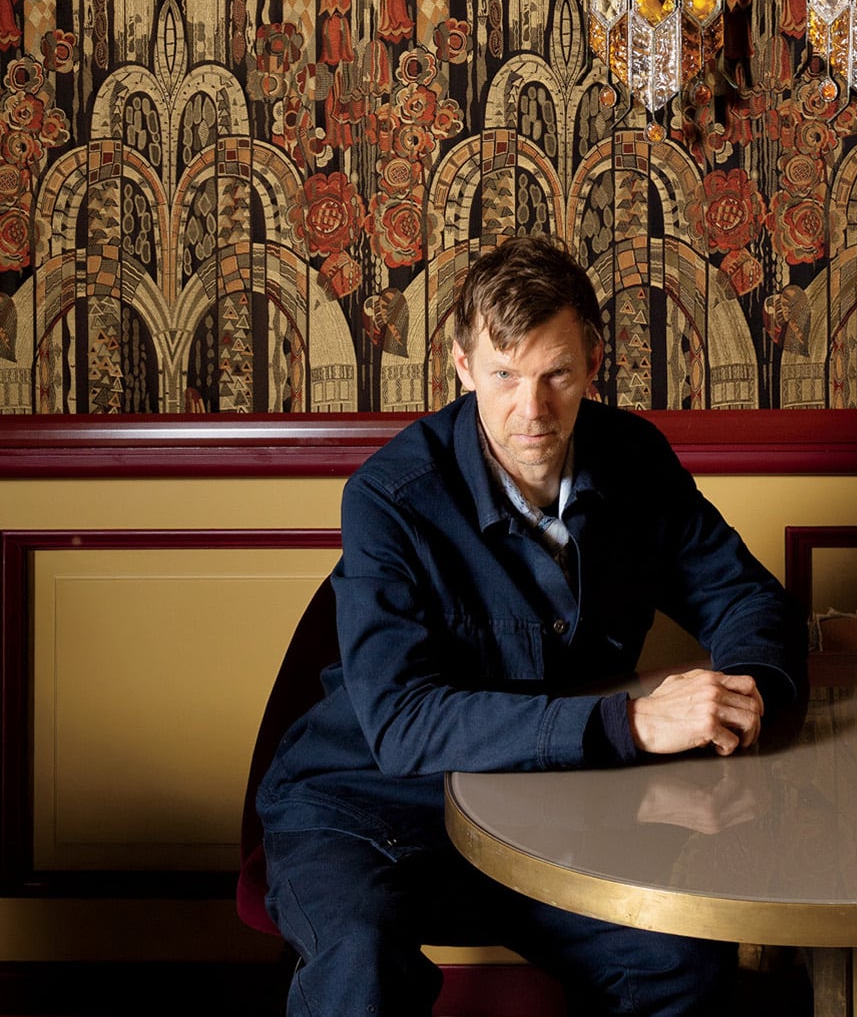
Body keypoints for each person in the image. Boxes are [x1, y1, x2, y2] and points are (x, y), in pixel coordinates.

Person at [258, 237, 806, 1017]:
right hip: (363, 810)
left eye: (556, 374)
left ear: (594, 361)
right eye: (504, 376)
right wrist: (630, 723)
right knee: (360, 959)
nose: (532, 410)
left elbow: (747, 599)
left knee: (680, 961)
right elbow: (403, 726)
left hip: (543, 818)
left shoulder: (636, 460)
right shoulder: (387, 497)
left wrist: (744, 696)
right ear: (461, 366)